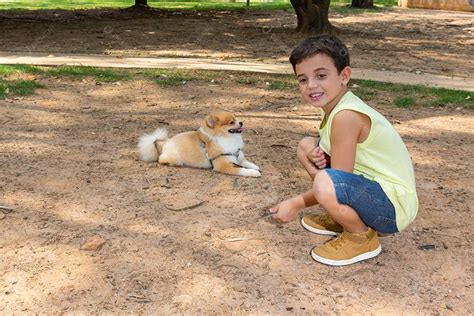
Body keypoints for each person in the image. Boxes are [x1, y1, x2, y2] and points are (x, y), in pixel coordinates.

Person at [270, 35, 418, 266]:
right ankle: (343, 218)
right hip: (374, 191)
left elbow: (336, 183)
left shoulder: (346, 116)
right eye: (303, 79)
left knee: (325, 183)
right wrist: (316, 153)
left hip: (392, 210)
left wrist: (296, 203)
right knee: (306, 146)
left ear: (344, 76)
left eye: (321, 76)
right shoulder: (334, 106)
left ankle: (360, 237)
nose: (311, 86)